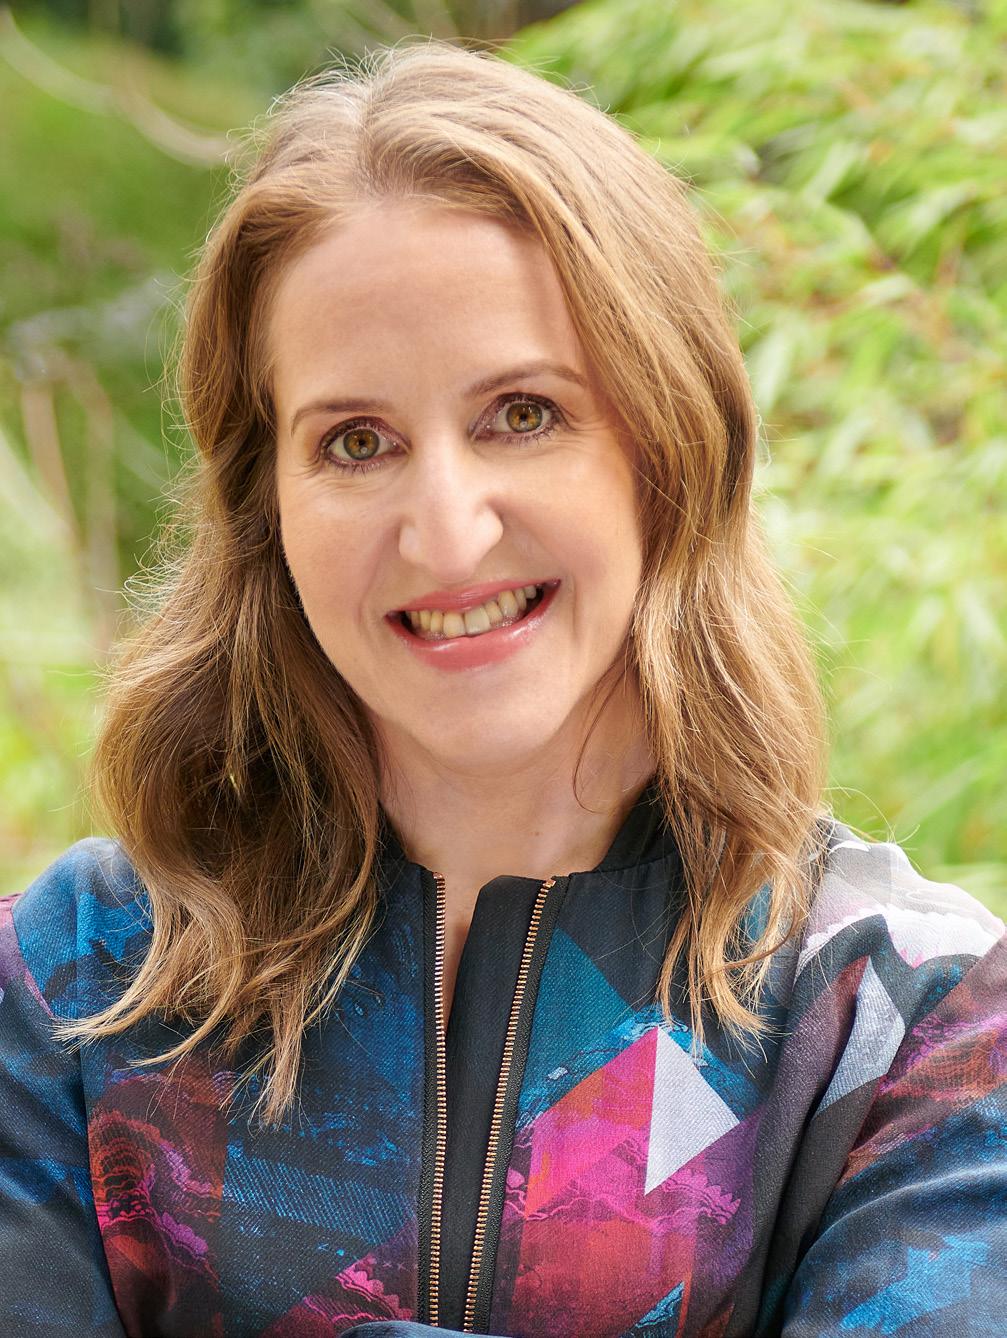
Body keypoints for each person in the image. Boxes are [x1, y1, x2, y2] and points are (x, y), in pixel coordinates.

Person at [1, 37, 1004, 1338]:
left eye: (522, 413)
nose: (446, 532)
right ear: (268, 507)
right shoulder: (73, 987)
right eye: (355, 441)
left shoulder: (913, 1029)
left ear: (671, 444)